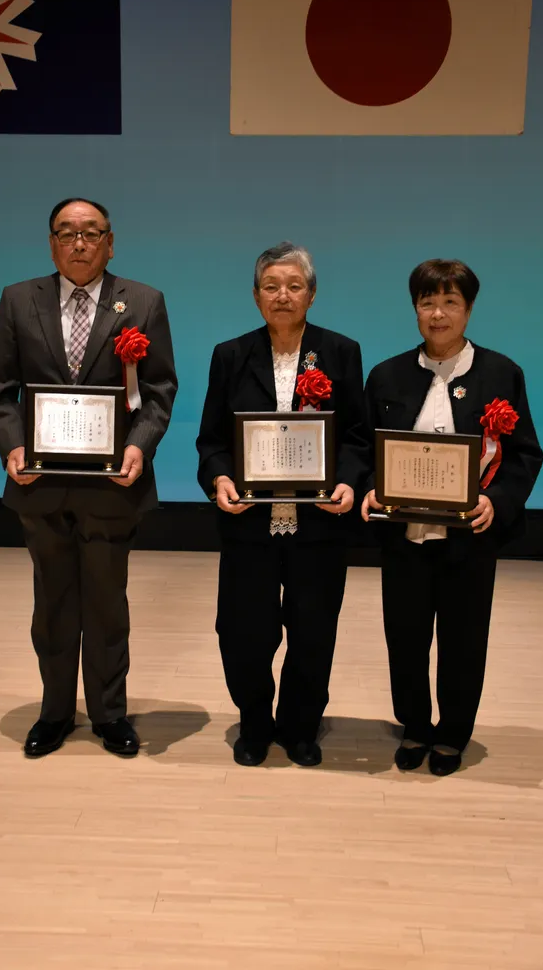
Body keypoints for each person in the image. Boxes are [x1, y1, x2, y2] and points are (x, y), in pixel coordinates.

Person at [0, 198, 177, 758]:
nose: (79, 243)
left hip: (112, 484)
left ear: (110, 242)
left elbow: (160, 391)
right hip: (40, 484)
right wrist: (13, 446)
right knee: (53, 604)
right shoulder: (19, 300)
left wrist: (139, 448)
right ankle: (55, 712)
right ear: (51, 243)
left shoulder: (142, 301)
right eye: (66, 233)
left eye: (91, 233)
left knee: (107, 604)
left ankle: (110, 714)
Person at [362, 259, 543, 776]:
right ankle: (415, 726)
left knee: (464, 640)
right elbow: (366, 450)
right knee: (406, 636)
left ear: (468, 309)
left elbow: (525, 454)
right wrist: (372, 485)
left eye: (450, 303)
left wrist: (497, 501)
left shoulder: (501, 373)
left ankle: (453, 734)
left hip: (470, 541)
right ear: (415, 308)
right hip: (405, 538)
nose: (437, 314)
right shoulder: (387, 375)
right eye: (427, 302)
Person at [197, 242, 368, 767]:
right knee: (243, 629)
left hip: (319, 523)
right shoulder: (230, 354)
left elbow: (357, 437)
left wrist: (348, 482)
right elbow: (212, 441)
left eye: (294, 286)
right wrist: (220, 479)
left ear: (311, 295)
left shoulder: (340, 352)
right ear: (255, 296)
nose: (283, 295)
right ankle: (254, 721)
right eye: (271, 286)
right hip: (248, 523)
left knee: (314, 627)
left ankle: (299, 725)